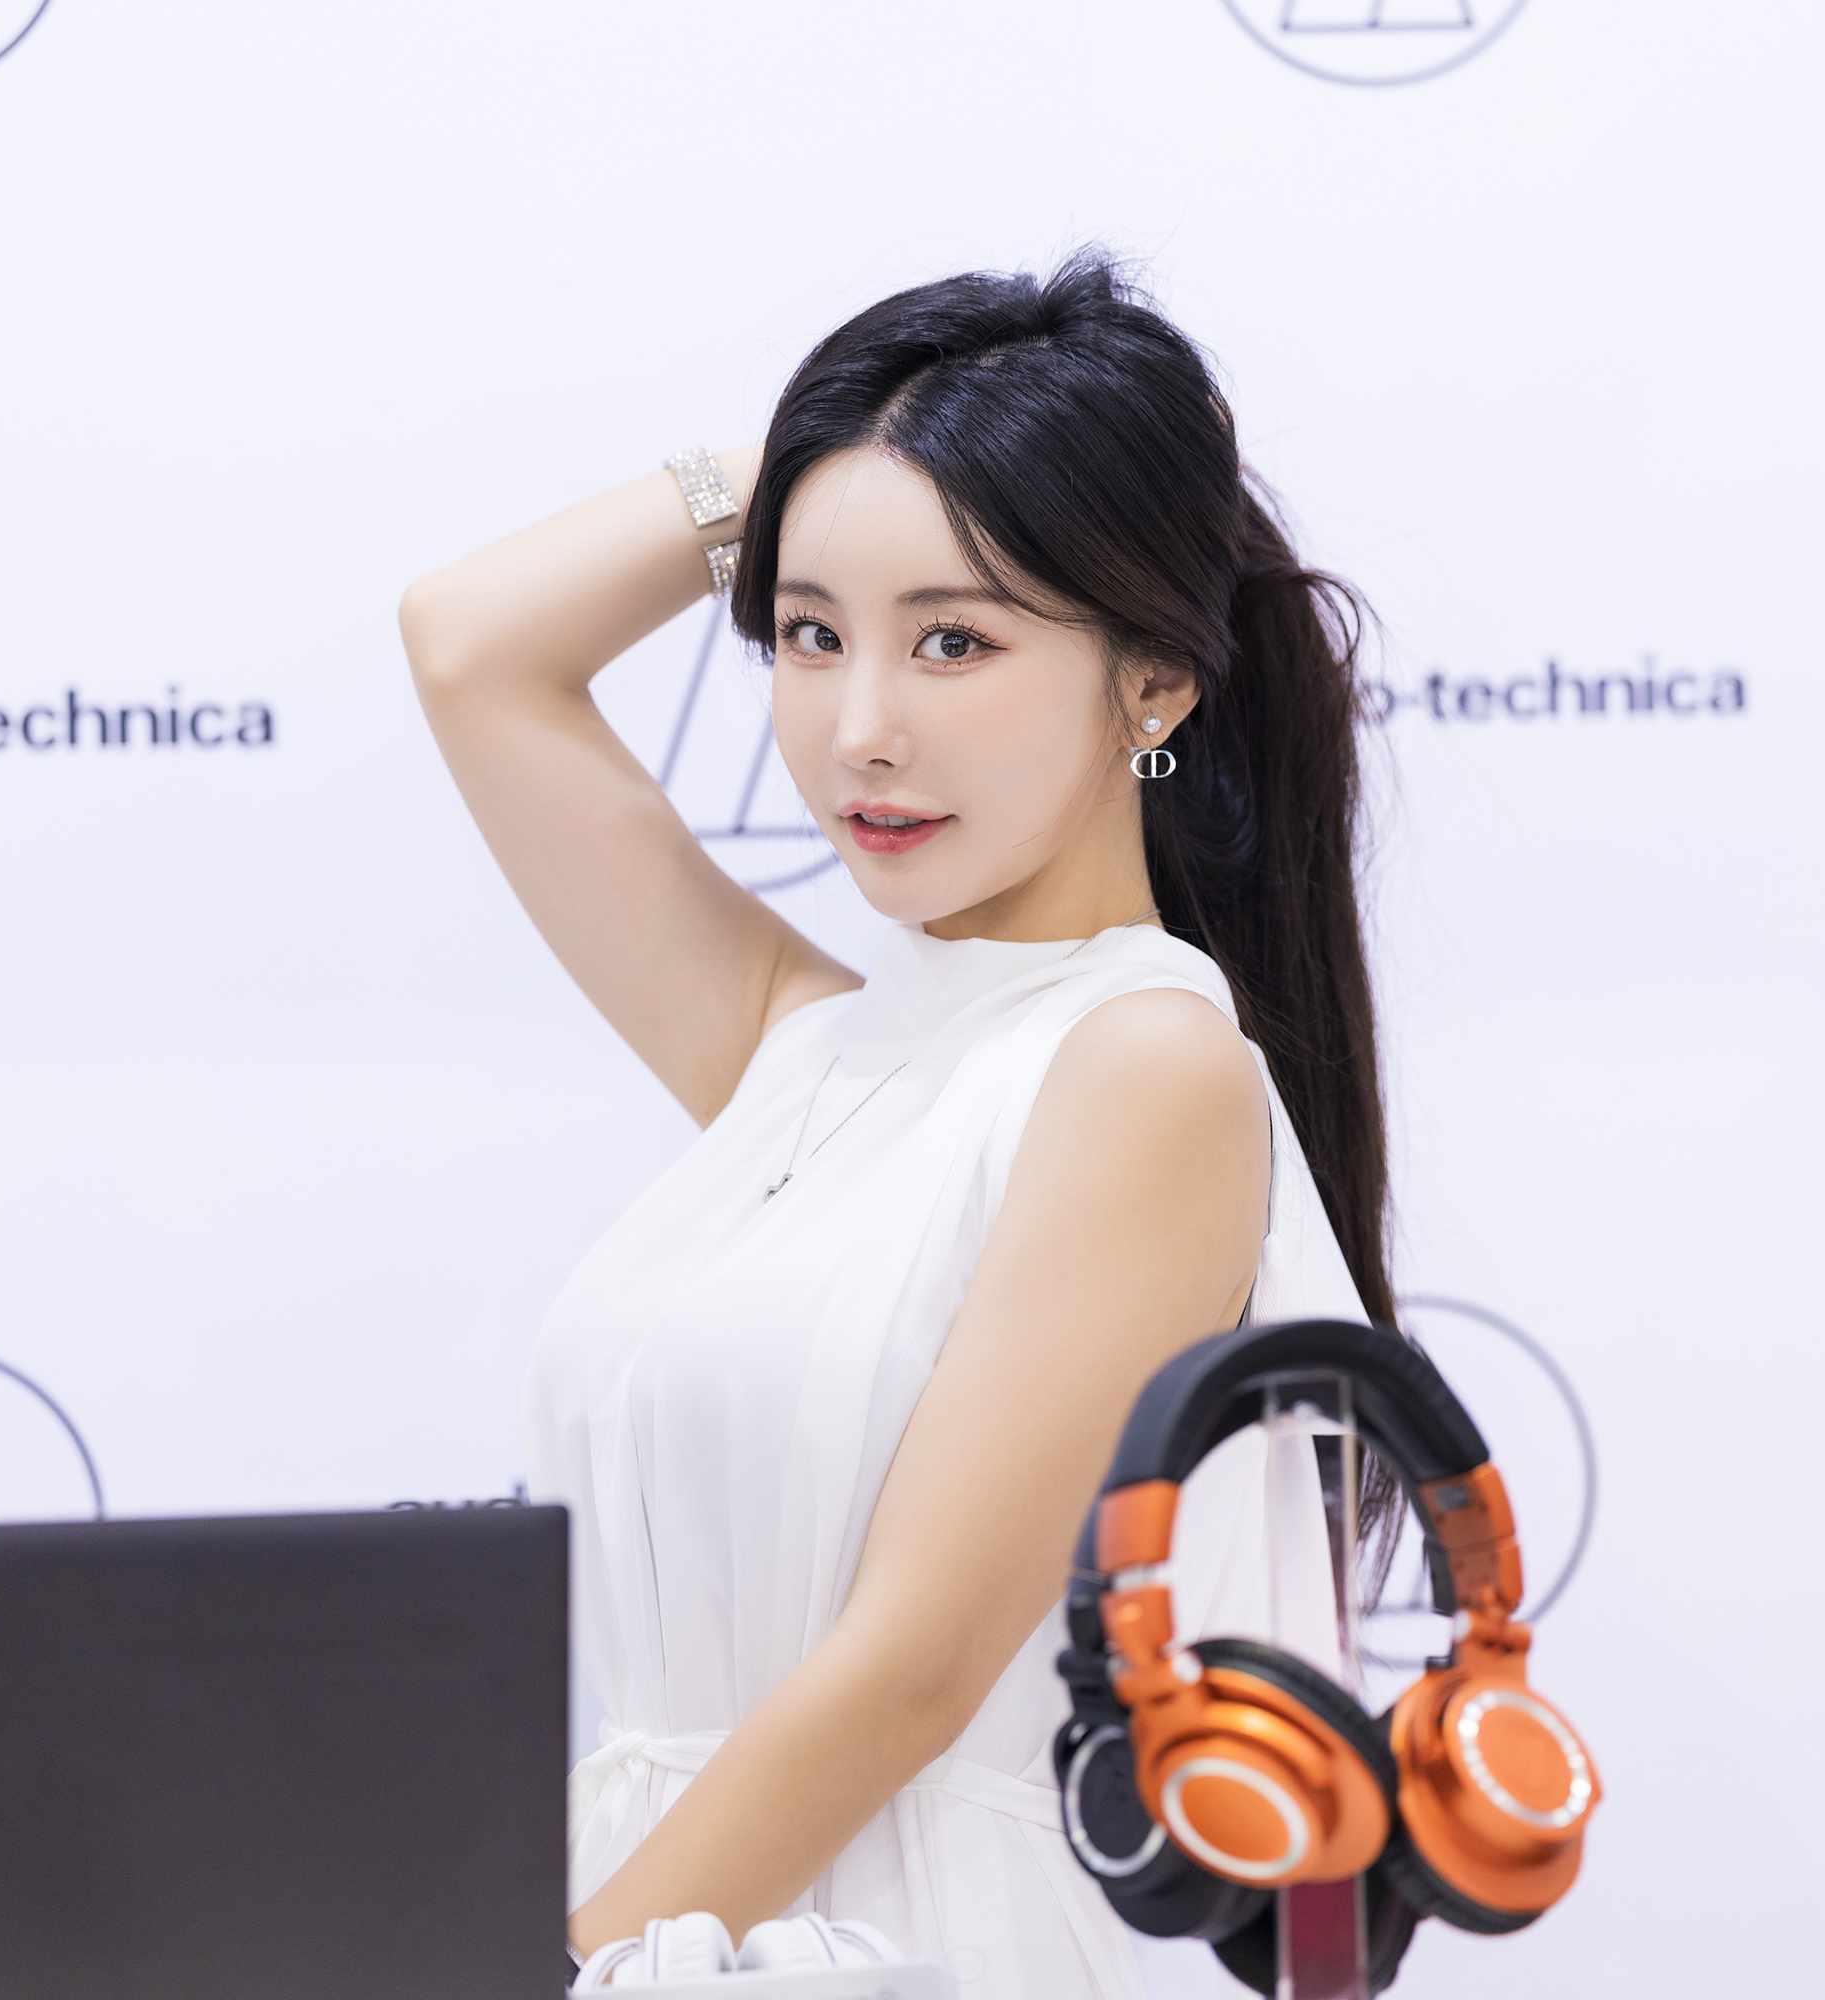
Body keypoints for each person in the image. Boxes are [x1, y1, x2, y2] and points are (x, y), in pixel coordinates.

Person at [399, 253, 1392, 1997]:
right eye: (810, 634)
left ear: (1154, 684)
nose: (860, 730)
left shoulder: (1146, 1065)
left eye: (954, 641)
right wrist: (828, 452)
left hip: (874, 1948)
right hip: (661, 1932)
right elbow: (469, 644)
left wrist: (544, 1973)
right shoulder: (807, 1045)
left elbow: (912, 1669)